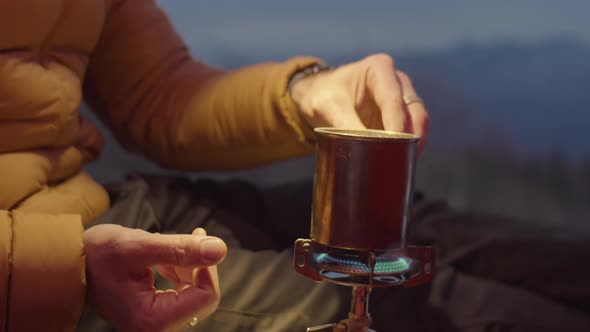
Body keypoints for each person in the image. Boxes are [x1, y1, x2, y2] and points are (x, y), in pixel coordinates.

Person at [0, 1, 428, 331]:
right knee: (419, 303)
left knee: (434, 233)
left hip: (106, 208)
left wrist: (306, 93)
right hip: (42, 265)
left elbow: (154, 93)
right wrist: (64, 269)